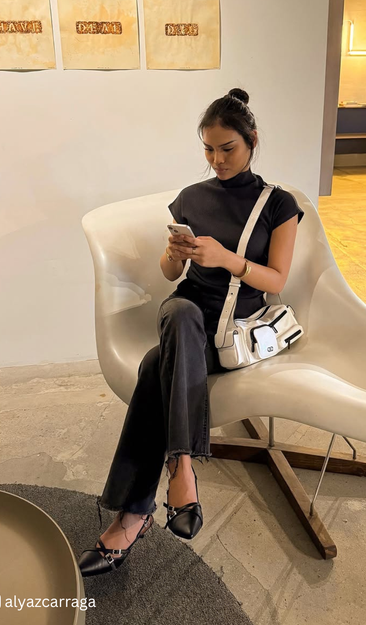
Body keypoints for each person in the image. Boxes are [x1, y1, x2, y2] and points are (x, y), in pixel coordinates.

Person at [78, 87, 305, 577]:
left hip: (233, 328)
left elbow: (276, 281)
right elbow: (169, 275)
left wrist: (225, 258)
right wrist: (173, 254)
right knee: (180, 312)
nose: (217, 160)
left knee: (153, 365)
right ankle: (181, 466)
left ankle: (132, 516)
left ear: (252, 141)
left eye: (228, 148)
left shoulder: (279, 204)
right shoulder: (190, 198)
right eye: (208, 149)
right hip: (186, 311)